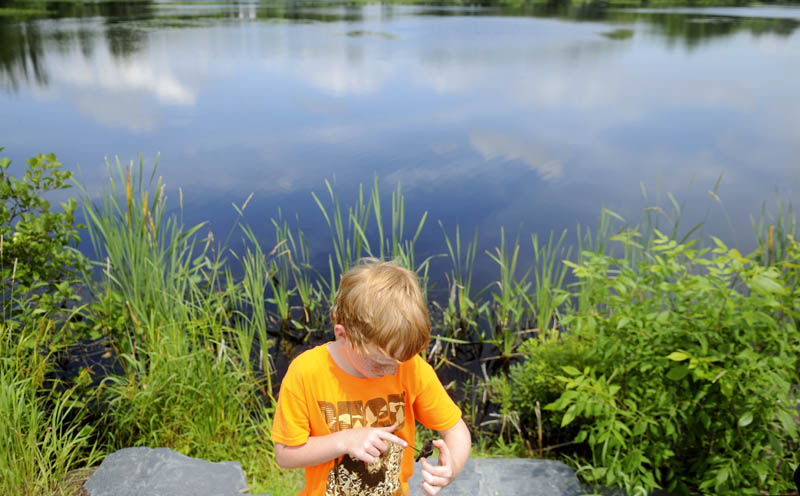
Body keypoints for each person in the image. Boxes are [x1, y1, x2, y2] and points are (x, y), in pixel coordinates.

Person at [272, 259, 471, 496]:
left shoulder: (410, 368)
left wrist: (452, 468)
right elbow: (285, 454)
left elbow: (456, 430)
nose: (392, 371)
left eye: (400, 361)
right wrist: (345, 441)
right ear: (343, 335)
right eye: (379, 362)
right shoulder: (307, 372)